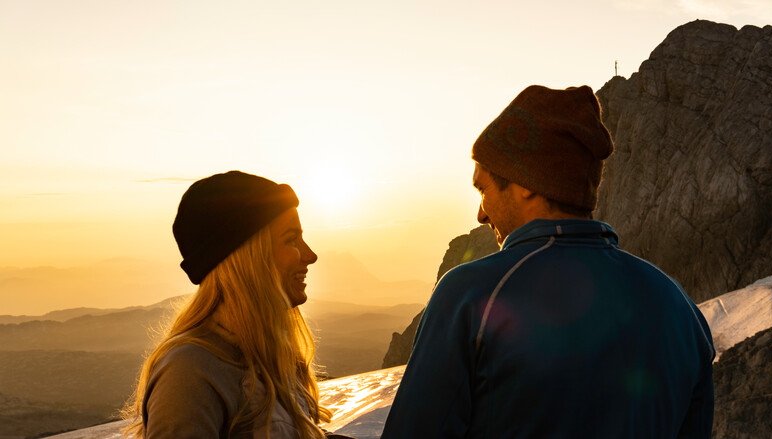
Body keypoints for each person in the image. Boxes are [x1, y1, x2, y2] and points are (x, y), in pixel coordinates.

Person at [381, 86, 715, 438]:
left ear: (526, 182)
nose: (481, 214)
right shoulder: (680, 308)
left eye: (483, 189)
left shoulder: (470, 296)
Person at [122, 171, 351, 439]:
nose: (310, 255)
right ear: (248, 258)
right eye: (291, 239)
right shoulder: (189, 372)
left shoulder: (270, 355)